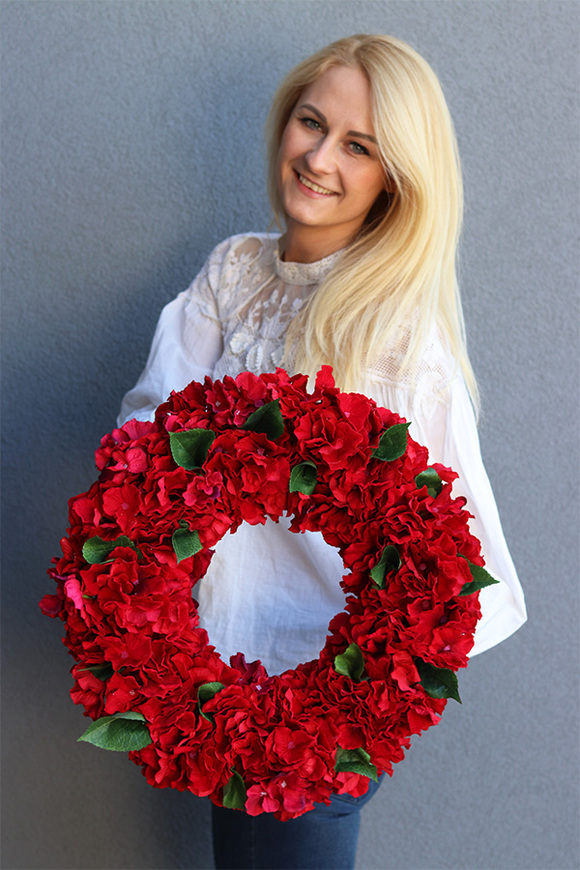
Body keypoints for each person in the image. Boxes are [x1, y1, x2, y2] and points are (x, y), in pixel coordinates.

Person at [117, 34, 526, 870]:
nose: (319, 157)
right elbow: (145, 432)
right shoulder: (234, 272)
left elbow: (453, 547)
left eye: (359, 146)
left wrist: (369, 690)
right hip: (217, 675)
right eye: (311, 122)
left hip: (325, 708)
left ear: (393, 179)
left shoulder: (399, 334)